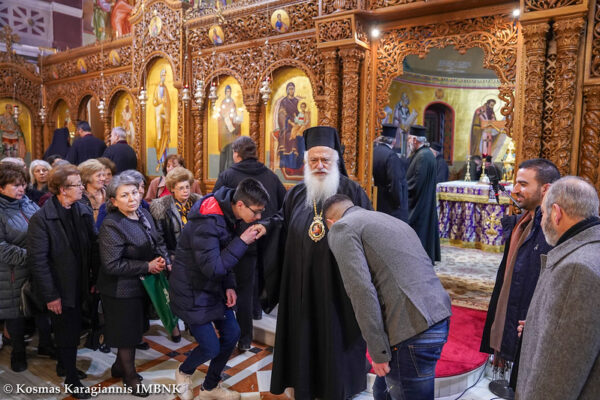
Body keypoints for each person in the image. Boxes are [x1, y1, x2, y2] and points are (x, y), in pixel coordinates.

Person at [262, 126, 371, 400]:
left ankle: (338, 387)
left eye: (325, 160)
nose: (320, 165)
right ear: (306, 162)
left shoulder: (353, 193)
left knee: (335, 337)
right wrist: (265, 227)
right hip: (299, 286)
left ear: (336, 160)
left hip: (338, 288)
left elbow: (369, 235)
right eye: (314, 160)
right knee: (303, 335)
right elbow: (281, 224)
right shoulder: (296, 194)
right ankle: (304, 384)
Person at [324, 194, 452, 400]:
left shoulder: (342, 227)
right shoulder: (388, 220)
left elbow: (361, 290)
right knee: (382, 392)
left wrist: (378, 352)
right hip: (439, 315)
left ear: (330, 222)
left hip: (410, 328)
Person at [169, 178, 268, 400]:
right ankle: (184, 371)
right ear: (240, 204)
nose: (259, 217)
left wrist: (229, 285)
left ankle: (210, 387)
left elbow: (222, 253)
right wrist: (242, 241)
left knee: (232, 334)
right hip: (192, 291)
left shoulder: (228, 213)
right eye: (256, 211)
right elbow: (213, 267)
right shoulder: (207, 221)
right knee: (210, 347)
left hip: (213, 288)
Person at [516, 176, 600, 399]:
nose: (543, 219)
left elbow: (556, 375)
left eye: (543, 213)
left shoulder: (576, 270)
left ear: (556, 213)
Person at [480, 158, 560, 393]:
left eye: (523, 184)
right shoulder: (527, 220)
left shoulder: (550, 229)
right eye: (516, 183)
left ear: (546, 189)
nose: (515, 190)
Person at [28, 164, 98, 399]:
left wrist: (94, 278)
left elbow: (93, 246)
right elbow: (38, 262)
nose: (82, 188)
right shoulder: (41, 219)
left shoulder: (82, 210)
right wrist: (51, 296)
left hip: (80, 283)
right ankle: (71, 379)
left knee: (74, 329)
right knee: (66, 332)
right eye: (77, 185)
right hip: (59, 287)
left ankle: (64, 365)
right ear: (62, 189)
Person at [98, 173, 171, 397]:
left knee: (135, 331)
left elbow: (157, 240)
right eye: (124, 195)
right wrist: (147, 266)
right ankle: (130, 378)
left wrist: (162, 259)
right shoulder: (112, 224)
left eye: (134, 192)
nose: (132, 198)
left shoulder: (143, 213)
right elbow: (112, 265)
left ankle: (118, 367)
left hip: (141, 285)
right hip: (120, 289)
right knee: (127, 337)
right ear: (113, 201)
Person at [214, 136, 286, 349]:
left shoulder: (228, 175)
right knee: (255, 280)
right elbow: (285, 206)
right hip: (265, 239)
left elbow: (216, 203)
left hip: (236, 241)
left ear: (236, 154)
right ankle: (254, 315)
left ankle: (243, 338)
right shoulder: (270, 175)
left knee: (241, 289)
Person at [0, 163, 56, 372]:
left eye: (23, 184)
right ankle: (18, 353)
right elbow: (2, 247)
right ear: (1, 187)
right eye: (15, 185)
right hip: (11, 272)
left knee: (41, 308)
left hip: (35, 268)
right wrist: (33, 257)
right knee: (15, 314)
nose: (21, 189)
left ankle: (45, 345)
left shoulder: (27, 203)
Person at [150, 167, 201, 259]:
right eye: (181, 188)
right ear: (172, 189)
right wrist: (167, 259)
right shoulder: (161, 207)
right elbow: (159, 239)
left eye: (187, 187)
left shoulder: (199, 203)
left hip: (197, 253)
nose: (185, 191)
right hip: (175, 255)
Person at [406, 125, 440, 262]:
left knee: (420, 233)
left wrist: (402, 189)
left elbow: (416, 183)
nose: (408, 142)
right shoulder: (426, 154)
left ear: (415, 140)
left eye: (409, 139)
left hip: (419, 204)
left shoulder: (422, 156)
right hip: (424, 201)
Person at [373, 124, 408, 221]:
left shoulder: (373, 152)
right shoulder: (391, 156)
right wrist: (398, 203)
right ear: (394, 141)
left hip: (375, 202)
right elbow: (394, 183)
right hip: (389, 208)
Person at [273, 82, 304, 175]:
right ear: (287, 90)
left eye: (292, 89)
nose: (291, 90)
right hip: (286, 126)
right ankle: (288, 164)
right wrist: (289, 122)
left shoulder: (297, 101)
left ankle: (298, 163)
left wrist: (298, 123)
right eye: (290, 89)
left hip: (297, 125)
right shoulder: (284, 101)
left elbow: (299, 114)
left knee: (301, 138)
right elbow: (281, 115)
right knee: (289, 137)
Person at [217, 85, 241, 173]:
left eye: (229, 91)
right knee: (223, 151)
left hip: (231, 132)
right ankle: (221, 173)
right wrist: (224, 118)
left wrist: (234, 124)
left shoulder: (233, 103)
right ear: (225, 93)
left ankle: (230, 172)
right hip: (223, 132)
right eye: (227, 91)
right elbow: (220, 115)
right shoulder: (223, 103)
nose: (228, 93)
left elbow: (235, 115)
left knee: (231, 153)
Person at [153, 68, 171, 171]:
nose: (164, 76)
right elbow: (154, 101)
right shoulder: (156, 89)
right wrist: (158, 101)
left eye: (165, 75)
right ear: (160, 76)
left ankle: (164, 162)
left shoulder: (166, 89)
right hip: (158, 117)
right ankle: (158, 161)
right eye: (163, 75)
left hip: (165, 117)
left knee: (165, 138)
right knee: (159, 138)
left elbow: (168, 104)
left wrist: (165, 103)